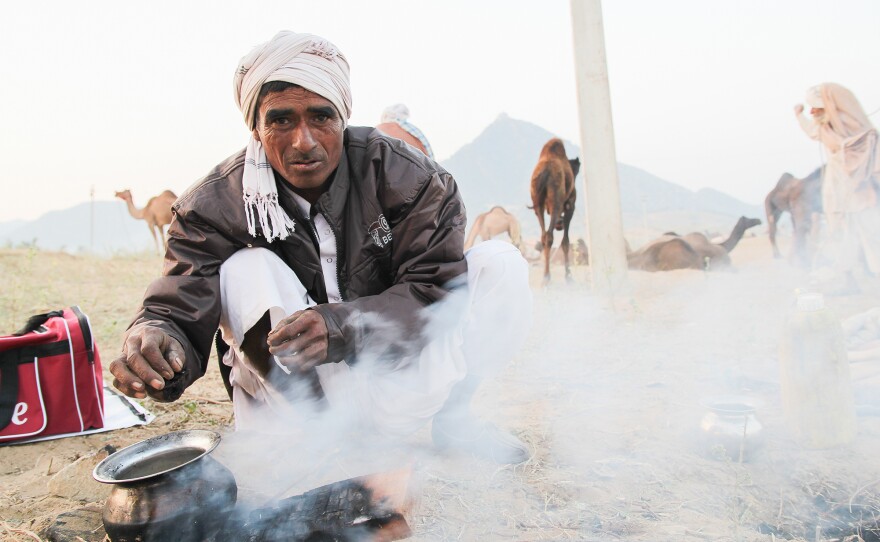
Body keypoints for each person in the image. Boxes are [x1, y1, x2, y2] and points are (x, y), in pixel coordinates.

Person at [109, 30, 533, 465]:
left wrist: (341, 327)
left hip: (401, 383)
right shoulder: (214, 205)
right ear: (255, 126)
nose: (304, 141)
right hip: (298, 404)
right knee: (245, 267)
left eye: (320, 117)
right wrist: (160, 337)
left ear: (342, 118)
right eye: (281, 120)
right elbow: (181, 298)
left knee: (500, 266)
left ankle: (455, 419)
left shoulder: (409, 179)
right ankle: (316, 445)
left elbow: (435, 289)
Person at [794, 82, 880, 293]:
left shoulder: (860, 132)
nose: (812, 112)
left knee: (873, 237)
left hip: (862, 195)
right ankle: (848, 281)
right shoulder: (826, 127)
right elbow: (814, 132)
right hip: (838, 196)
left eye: (817, 107)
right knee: (842, 237)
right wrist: (799, 116)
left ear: (831, 105)